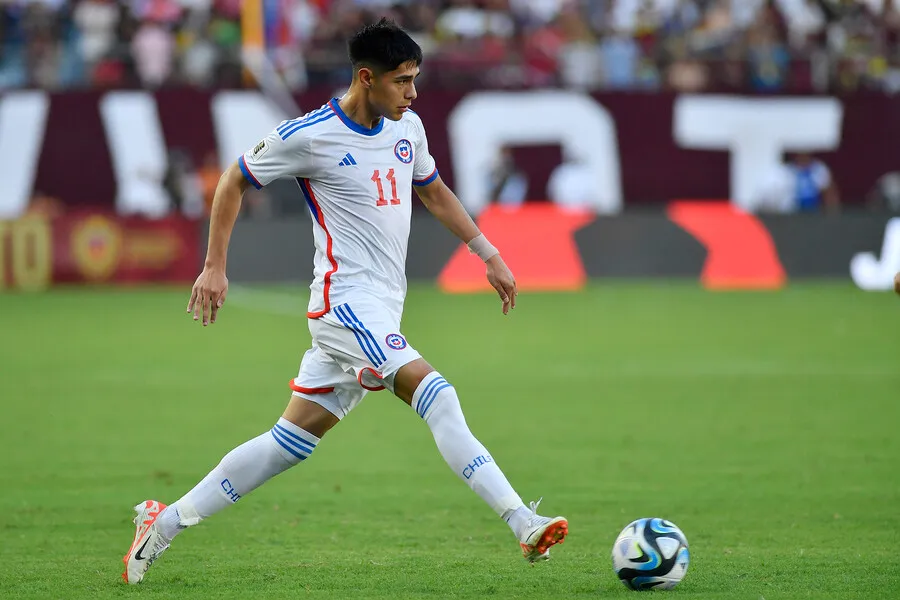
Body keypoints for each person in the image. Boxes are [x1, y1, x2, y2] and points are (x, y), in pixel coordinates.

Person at [122, 18, 568, 585]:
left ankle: (164, 522)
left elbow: (432, 190)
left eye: (416, 79)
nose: (413, 92)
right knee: (439, 395)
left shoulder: (408, 127)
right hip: (346, 305)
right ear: (366, 77)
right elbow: (233, 180)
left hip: (381, 306)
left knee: (287, 445)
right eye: (403, 80)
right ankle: (522, 521)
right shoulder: (310, 135)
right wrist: (214, 267)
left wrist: (488, 252)